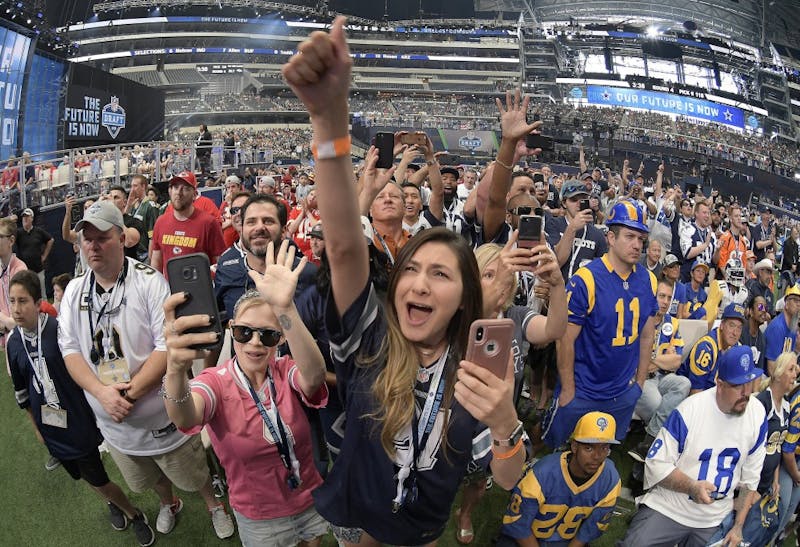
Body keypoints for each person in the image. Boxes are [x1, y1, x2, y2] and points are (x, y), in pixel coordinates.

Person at [283, 20, 529, 545]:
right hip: (356, 507)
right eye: (411, 270)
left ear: (464, 297)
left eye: (439, 273)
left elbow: (508, 478)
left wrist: (505, 418)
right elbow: (346, 247)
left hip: (422, 527)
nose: (417, 283)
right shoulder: (371, 340)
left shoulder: (477, 371)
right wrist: (329, 119)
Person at [58, 200, 235, 540]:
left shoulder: (150, 282)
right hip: (115, 424)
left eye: (102, 237)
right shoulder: (74, 292)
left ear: (122, 238)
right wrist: (102, 394)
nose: (93, 246)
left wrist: (130, 393)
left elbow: (166, 345)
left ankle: (214, 505)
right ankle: (169, 504)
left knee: (193, 472)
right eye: (87, 239)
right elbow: (70, 350)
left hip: (160, 416)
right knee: (149, 477)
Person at [162, 240, 329, 547]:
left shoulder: (284, 370)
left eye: (267, 335)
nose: (254, 343)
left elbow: (314, 377)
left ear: (279, 340)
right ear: (231, 330)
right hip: (259, 516)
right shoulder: (216, 382)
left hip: (307, 498)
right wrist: (174, 370)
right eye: (244, 332)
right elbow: (185, 414)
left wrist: (285, 308)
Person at [8, 270, 156, 546]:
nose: (16, 309)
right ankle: (113, 502)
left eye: (23, 301)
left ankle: (134, 514)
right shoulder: (13, 344)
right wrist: (36, 427)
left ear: (39, 303)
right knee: (82, 475)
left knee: (97, 477)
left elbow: (86, 368)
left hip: (78, 419)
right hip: (50, 427)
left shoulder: (56, 330)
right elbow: (23, 393)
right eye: (12, 301)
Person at [456, 236, 568, 544]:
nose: (501, 281)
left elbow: (554, 329)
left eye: (505, 274)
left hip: (495, 422)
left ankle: (465, 512)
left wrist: (557, 286)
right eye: (489, 274)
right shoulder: (459, 318)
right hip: (455, 418)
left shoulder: (516, 317)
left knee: (481, 481)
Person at [620, 345, 767, 547]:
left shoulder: (757, 414)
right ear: (720, 384)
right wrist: (691, 486)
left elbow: (750, 480)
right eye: (737, 386)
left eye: (749, 383)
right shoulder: (690, 410)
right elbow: (655, 465)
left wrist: (737, 526)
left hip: (715, 517)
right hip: (671, 506)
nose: (746, 393)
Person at [543, 198, 657, 449]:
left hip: (622, 390)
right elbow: (565, 339)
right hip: (584, 388)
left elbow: (647, 335)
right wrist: (569, 389)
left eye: (641, 239)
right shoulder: (586, 279)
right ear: (611, 238)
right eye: (630, 236)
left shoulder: (648, 280)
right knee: (556, 445)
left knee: (603, 450)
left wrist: (639, 383)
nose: (637, 245)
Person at [706, 351, 796, 546]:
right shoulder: (761, 403)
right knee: (726, 528)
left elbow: (777, 446)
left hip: (764, 481)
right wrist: (747, 488)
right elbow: (747, 445)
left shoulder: (787, 406)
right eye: (791, 369)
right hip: (747, 482)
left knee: (750, 530)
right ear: (778, 373)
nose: (795, 374)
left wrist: (775, 479)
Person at [497, 412, 621, 547]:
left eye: (604, 448)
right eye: (589, 448)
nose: (597, 456)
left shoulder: (610, 480)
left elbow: (589, 530)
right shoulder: (543, 474)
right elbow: (518, 525)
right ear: (574, 446)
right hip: (527, 539)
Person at [628, 278, 690, 462]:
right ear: (652, 296)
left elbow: (677, 361)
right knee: (657, 405)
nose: (665, 301)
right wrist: (662, 360)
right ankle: (657, 446)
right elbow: (635, 363)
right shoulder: (638, 318)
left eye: (669, 297)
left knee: (684, 383)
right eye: (661, 296)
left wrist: (650, 359)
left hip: (662, 378)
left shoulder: (673, 323)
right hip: (640, 378)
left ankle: (649, 440)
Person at [150, 170, 226, 278]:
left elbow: (221, 261)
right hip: (169, 291)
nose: (179, 193)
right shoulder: (161, 222)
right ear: (170, 191)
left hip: (200, 290)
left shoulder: (208, 223)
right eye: (176, 187)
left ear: (194, 195)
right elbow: (156, 261)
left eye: (185, 188)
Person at [545, 179, 607, 282]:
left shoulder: (597, 234)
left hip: (583, 294)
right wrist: (572, 228)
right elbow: (556, 262)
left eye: (583, 199)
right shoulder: (553, 224)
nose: (578, 204)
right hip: (558, 290)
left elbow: (603, 273)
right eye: (573, 199)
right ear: (564, 203)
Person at [677, 302, 745, 393]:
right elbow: (695, 392)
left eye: (739, 328)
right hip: (691, 397)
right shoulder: (706, 348)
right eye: (731, 325)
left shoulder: (736, 348)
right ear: (722, 325)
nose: (735, 333)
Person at [15, 208, 53, 298]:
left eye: (27, 217)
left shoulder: (38, 231)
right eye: (24, 217)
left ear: (32, 218)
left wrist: (44, 256)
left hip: (38, 269)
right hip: (24, 271)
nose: (25, 219)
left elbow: (50, 240)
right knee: (26, 294)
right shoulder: (18, 233)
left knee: (42, 294)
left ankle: (44, 312)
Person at [763, 285, 800, 372]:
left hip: (783, 374)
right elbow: (771, 367)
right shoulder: (777, 327)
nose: (799, 304)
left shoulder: (793, 326)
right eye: (795, 300)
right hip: (768, 378)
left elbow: (791, 357)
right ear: (786, 304)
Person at [739, 295, 769, 368]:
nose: (764, 310)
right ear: (751, 311)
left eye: (766, 308)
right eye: (760, 307)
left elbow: (759, 368)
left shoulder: (761, 339)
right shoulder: (739, 331)